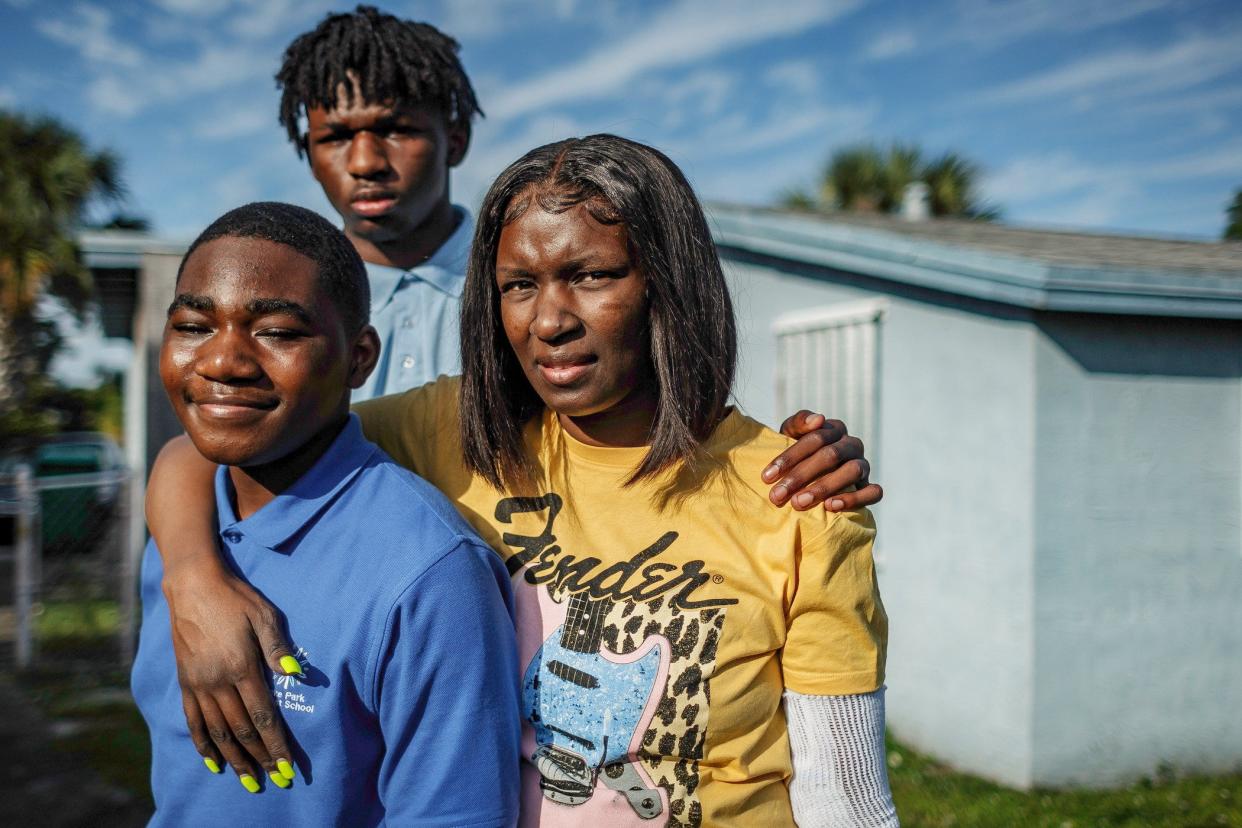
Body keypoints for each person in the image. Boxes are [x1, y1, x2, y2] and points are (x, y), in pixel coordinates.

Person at [148, 138, 898, 826]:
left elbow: (845, 796)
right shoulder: (457, 430)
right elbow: (222, 436)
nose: (548, 321)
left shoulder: (798, 498)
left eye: (591, 275)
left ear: (670, 282)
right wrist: (192, 579)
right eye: (517, 285)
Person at [274, 5, 879, 508]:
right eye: (334, 137)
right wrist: (194, 567)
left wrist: (804, 459)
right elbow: (221, 442)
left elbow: (659, 424)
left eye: (396, 129)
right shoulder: (284, 305)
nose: (365, 162)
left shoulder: (539, 286)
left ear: (454, 138)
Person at [130, 202, 521, 825]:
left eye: (278, 332)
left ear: (361, 357)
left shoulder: (427, 575)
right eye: (194, 326)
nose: (222, 362)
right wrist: (193, 573)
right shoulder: (183, 529)